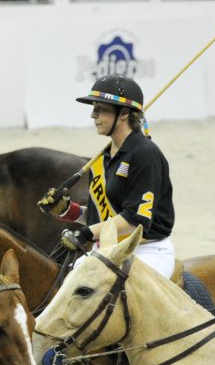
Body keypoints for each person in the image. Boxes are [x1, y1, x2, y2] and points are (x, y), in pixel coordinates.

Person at [37, 74, 175, 279]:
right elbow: (101, 218)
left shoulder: (146, 155)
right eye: (94, 108)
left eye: (100, 108)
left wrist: (87, 233)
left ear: (124, 113)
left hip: (147, 250)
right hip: (108, 248)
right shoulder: (102, 159)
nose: (93, 115)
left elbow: (134, 221)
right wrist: (69, 211)